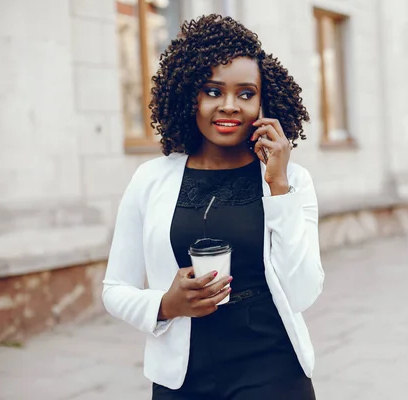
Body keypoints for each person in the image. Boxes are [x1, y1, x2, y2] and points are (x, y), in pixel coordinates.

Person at [102, 14, 324, 400]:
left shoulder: (292, 180)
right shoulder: (150, 180)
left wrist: (278, 187)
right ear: (190, 95)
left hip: (272, 370)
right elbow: (115, 289)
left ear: (262, 101)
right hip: (182, 378)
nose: (228, 106)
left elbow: (303, 292)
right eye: (212, 91)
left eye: (245, 93)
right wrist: (165, 305)